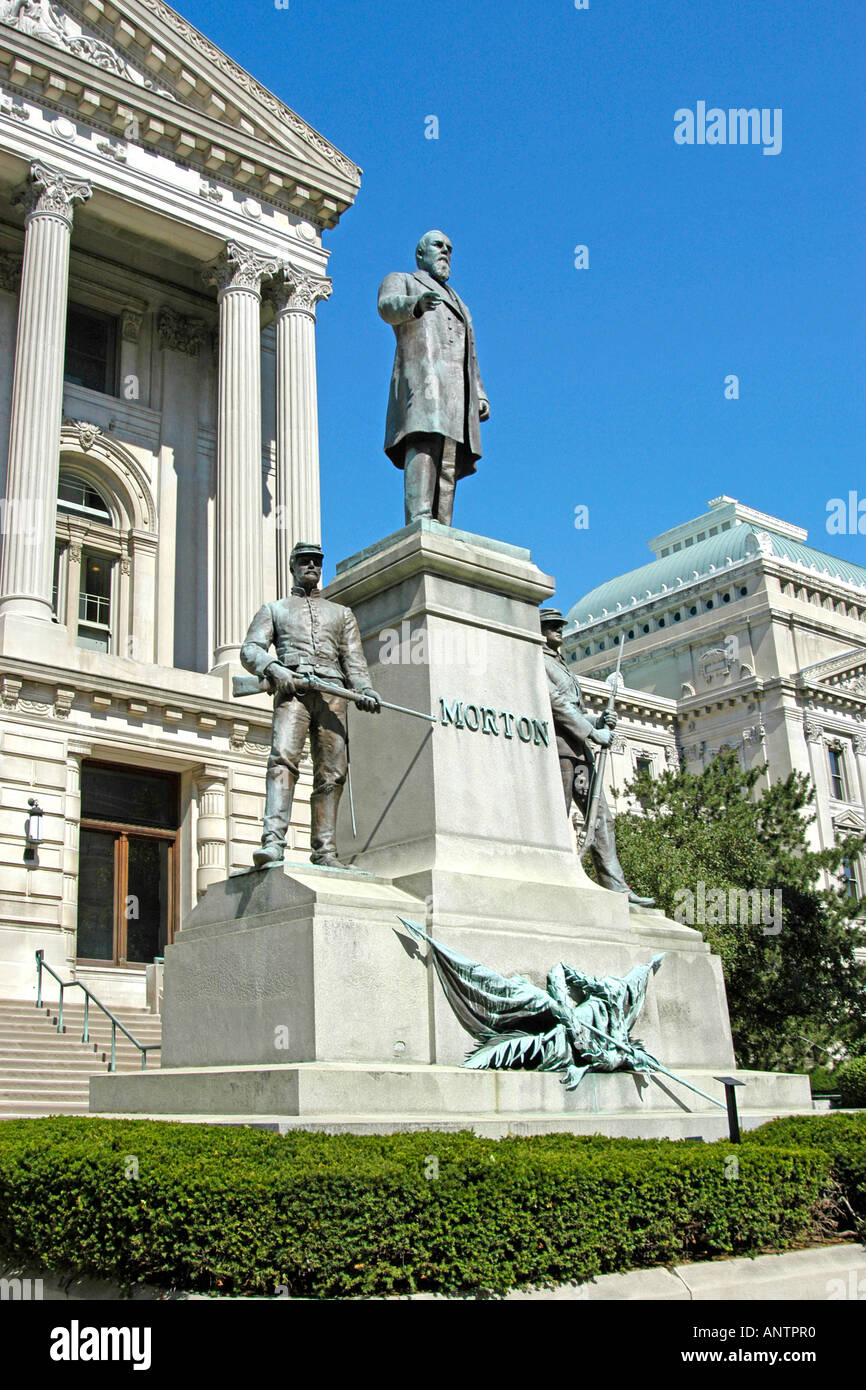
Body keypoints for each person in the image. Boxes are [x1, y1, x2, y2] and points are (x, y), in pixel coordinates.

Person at [240, 542, 381, 869]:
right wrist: (274, 669)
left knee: (333, 772)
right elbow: (250, 650)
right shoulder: (273, 609)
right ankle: (272, 843)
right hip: (294, 693)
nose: (311, 567)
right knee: (282, 761)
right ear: (292, 566)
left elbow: (354, 661)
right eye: (304, 562)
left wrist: (365, 689)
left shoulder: (341, 614)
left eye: (317, 562)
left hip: (333, 694)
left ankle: (326, 852)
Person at [540, 607, 654, 908]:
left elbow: (572, 707)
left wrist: (598, 721)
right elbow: (556, 705)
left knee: (600, 817)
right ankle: (552, 875)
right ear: (540, 631)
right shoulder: (538, 660)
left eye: (559, 625)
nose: (558, 630)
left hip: (580, 750)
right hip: (560, 749)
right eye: (552, 626)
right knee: (557, 815)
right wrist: (593, 731)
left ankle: (617, 887)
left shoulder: (561, 664)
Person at [378, 230, 490, 525]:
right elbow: (386, 306)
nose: (445, 252)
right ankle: (421, 515)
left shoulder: (461, 304)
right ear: (420, 254)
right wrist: (414, 305)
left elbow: (471, 354)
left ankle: (443, 523)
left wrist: (478, 392)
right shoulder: (404, 280)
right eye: (438, 246)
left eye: (449, 248)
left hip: (456, 387)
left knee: (449, 453)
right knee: (423, 442)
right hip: (423, 379)